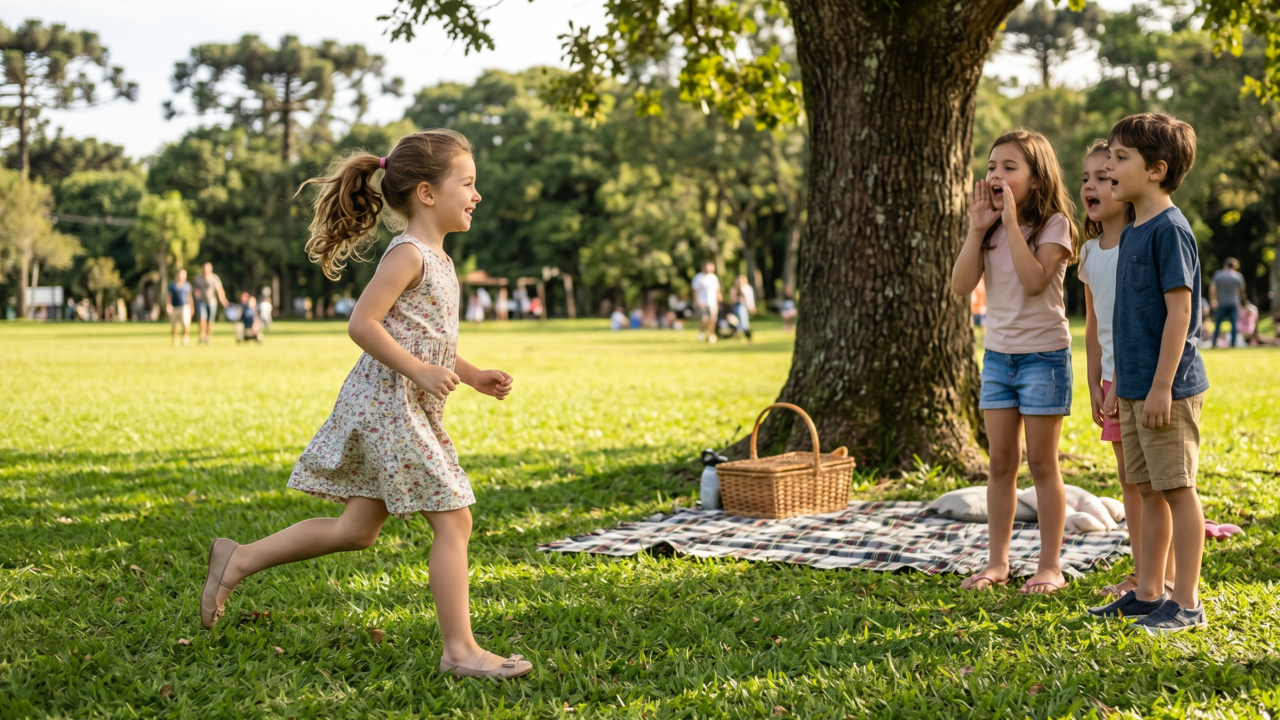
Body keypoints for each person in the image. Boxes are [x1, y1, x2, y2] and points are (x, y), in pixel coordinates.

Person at [198, 130, 532, 679]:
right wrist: (420, 371)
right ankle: (460, 652)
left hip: (404, 403)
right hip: (388, 406)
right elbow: (363, 323)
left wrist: (470, 375)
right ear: (426, 192)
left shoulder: (441, 261)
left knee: (357, 530)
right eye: (467, 184)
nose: (477, 195)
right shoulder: (407, 254)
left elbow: (431, 339)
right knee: (455, 522)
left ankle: (239, 558)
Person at [1088, 113, 1209, 633]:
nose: (1109, 166)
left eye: (1120, 158)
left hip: (1169, 390)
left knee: (1177, 490)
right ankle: (1147, 591)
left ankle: (1187, 603)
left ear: (1156, 170)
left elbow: (1179, 313)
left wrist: (1160, 387)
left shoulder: (1170, 230)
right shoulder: (1134, 227)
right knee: (1144, 489)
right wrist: (1121, 387)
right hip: (1133, 387)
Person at [950, 129, 1077, 596]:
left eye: (1009, 167)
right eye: (991, 167)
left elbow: (1034, 282)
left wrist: (1008, 224)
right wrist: (976, 229)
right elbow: (962, 286)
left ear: (1036, 179)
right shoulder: (988, 229)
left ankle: (1050, 566)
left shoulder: (1054, 225)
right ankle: (997, 563)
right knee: (1001, 461)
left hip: (1044, 356)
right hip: (998, 359)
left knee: (1043, 464)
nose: (997, 175)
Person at [1077, 139, 1175, 600]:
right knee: (1130, 482)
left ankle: (1161, 576)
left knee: (1157, 484)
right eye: (1088, 178)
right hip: (1114, 381)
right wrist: (1095, 381)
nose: (1095, 184)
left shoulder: (1145, 239)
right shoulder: (1089, 253)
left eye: (1105, 175)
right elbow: (1094, 324)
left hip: (1148, 378)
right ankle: (1143, 573)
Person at [1210, 257, 1246, 348]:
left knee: (1217, 324)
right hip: (1234, 303)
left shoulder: (1218, 274)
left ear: (1225, 264)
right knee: (1234, 324)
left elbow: (1213, 288)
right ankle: (1233, 344)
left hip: (1221, 303)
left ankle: (1214, 343)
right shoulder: (1238, 276)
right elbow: (1242, 289)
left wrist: (1213, 300)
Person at [192, 263, 230, 345]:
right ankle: (201, 337)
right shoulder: (198, 279)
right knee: (202, 319)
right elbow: (194, 289)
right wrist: (196, 293)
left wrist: (223, 300)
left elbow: (219, 290)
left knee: (210, 321)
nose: (206, 271)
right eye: (205, 269)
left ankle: (208, 337)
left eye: (207, 270)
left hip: (212, 302)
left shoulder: (214, 278)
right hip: (201, 302)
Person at [691, 261, 722, 344]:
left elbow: (717, 290)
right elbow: (695, 291)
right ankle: (701, 332)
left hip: (712, 303)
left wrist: (719, 297)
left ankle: (711, 335)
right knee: (703, 319)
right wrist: (696, 301)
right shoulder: (698, 277)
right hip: (702, 302)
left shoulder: (714, 277)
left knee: (712, 320)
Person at [166, 268, 194, 347]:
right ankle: (175, 340)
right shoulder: (171, 285)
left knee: (186, 324)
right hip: (174, 307)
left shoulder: (187, 285)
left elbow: (189, 297)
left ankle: (185, 339)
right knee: (174, 325)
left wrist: (192, 307)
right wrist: (168, 305)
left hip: (185, 307)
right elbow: (168, 296)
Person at [730, 275, 756, 344]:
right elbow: (731, 300)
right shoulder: (734, 289)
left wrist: (752, 307)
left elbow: (750, 299)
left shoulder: (747, 289)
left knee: (744, 323)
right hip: (735, 307)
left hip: (743, 307)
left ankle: (748, 338)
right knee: (737, 323)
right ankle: (738, 336)